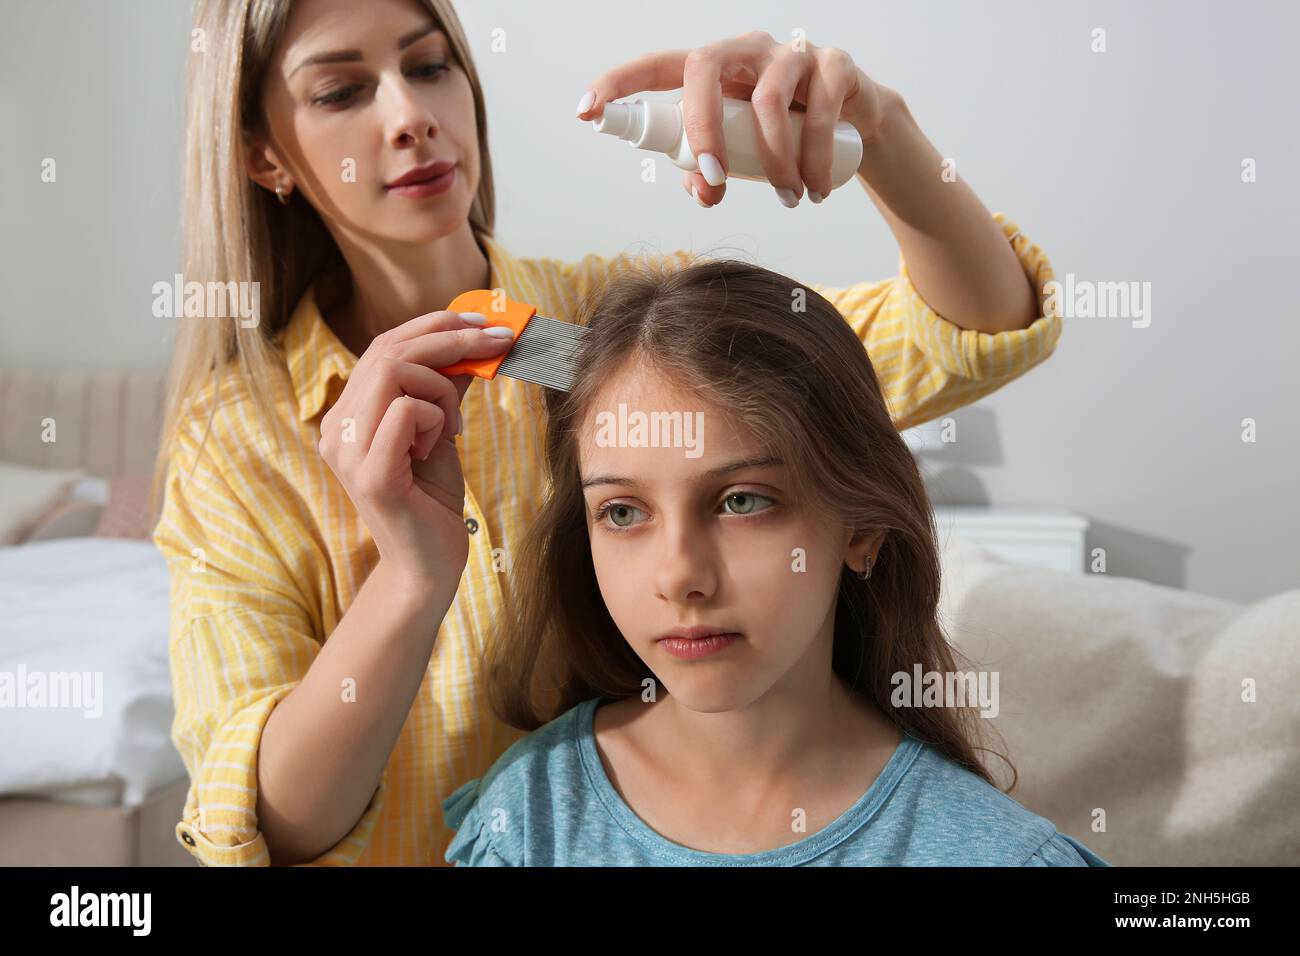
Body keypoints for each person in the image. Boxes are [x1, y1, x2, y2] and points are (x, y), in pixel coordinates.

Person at [152, 0, 1065, 866]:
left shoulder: (621, 331)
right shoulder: (232, 444)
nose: (411, 116)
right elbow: (268, 823)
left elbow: (972, 333)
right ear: (263, 155)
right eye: (342, 90)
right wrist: (412, 580)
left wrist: (880, 134)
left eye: (430, 66)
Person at [440, 258, 1107, 866]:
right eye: (622, 512)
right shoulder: (529, 819)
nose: (679, 577)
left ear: (863, 527)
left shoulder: (998, 856)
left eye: (740, 502)